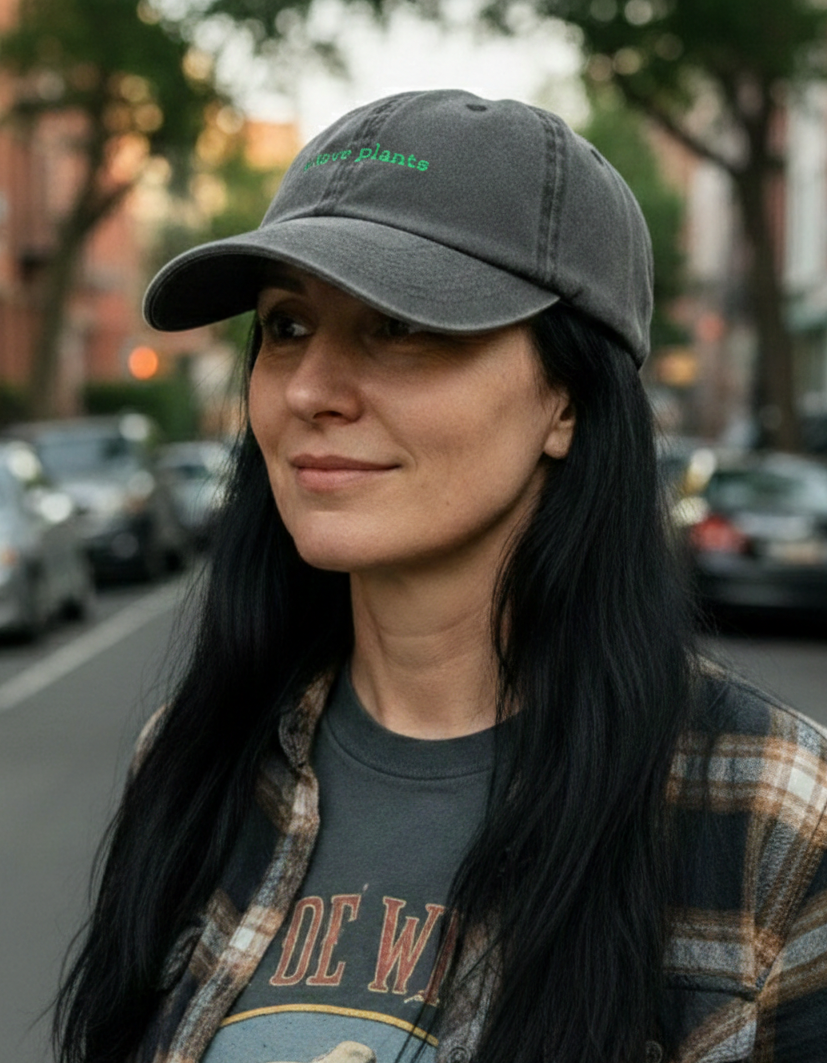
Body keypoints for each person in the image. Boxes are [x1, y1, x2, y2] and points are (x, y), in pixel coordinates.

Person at [55, 90, 827, 1063]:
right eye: (286, 326)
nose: (309, 390)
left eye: (399, 326)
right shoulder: (198, 755)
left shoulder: (770, 806)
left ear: (566, 399)